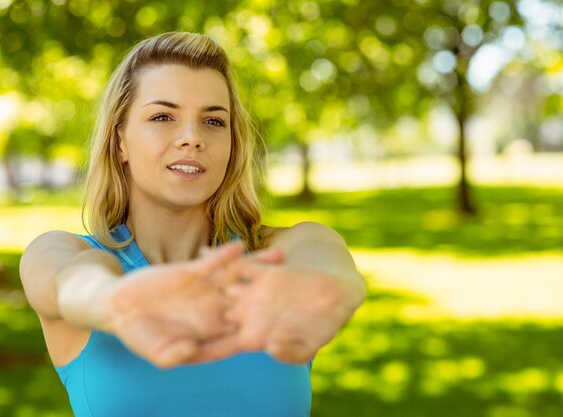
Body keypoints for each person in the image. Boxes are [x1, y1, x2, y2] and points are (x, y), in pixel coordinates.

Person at [20, 31, 366, 417]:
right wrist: (120, 302)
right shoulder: (64, 252)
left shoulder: (281, 252)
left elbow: (325, 261)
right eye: (163, 116)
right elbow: (72, 282)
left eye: (214, 121)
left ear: (232, 142)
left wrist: (327, 286)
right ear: (120, 141)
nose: (192, 138)